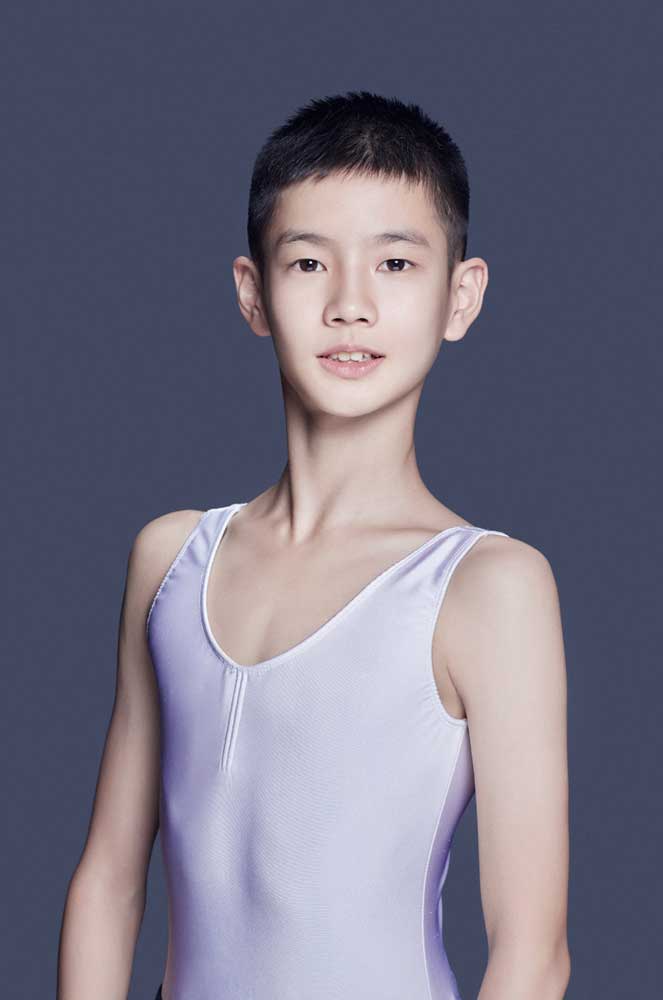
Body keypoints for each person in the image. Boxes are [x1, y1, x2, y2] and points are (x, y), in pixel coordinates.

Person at [57, 90, 570, 1000]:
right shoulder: (173, 560)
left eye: (395, 263)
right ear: (252, 292)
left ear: (459, 297)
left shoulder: (486, 586)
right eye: (307, 262)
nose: (349, 305)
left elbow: (532, 954)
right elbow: (108, 880)